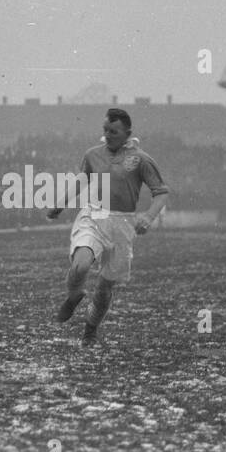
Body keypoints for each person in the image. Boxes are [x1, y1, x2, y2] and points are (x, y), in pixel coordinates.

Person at [47, 108, 169, 346]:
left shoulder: (141, 159)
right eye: (105, 130)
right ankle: (74, 296)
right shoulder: (92, 154)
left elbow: (161, 193)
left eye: (113, 131)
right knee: (80, 265)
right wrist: (60, 205)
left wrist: (148, 216)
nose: (108, 135)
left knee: (104, 288)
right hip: (93, 216)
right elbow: (81, 181)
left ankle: (90, 329)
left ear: (127, 133)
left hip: (122, 224)